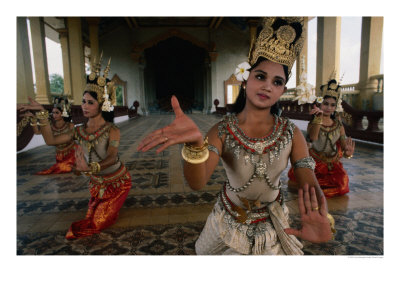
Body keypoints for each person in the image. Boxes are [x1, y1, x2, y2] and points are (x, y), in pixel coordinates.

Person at [138, 17, 335, 255]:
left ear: (283, 89)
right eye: (260, 76)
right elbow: (197, 182)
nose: (268, 86)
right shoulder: (222, 130)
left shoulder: (291, 133)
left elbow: (307, 182)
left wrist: (320, 211)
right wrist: (195, 145)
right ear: (245, 80)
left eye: (277, 81)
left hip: (273, 225)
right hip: (228, 223)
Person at [18, 58, 132, 239]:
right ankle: (109, 208)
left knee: (95, 224)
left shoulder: (112, 130)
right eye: (83, 101)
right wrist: (41, 113)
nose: (84, 106)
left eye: (90, 102)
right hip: (97, 185)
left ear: (101, 104)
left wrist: (89, 168)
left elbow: (111, 157)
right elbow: (50, 140)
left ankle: (114, 205)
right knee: (91, 218)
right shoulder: (78, 131)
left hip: (118, 183)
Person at [288, 78, 355, 198]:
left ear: (336, 107)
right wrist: (318, 119)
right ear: (319, 104)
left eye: (332, 105)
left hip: (332, 164)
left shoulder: (339, 126)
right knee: (311, 186)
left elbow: (344, 147)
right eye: (326, 104)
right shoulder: (314, 123)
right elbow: (313, 138)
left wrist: (348, 153)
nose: (328, 108)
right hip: (315, 163)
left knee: (341, 185)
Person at [23, 97, 77, 175]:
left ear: (63, 113)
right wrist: (33, 119)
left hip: (71, 154)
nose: (54, 115)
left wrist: (42, 111)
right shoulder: (51, 125)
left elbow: (65, 138)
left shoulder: (70, 125)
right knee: (59, 168)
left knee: (64, 168)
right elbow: (37, 132)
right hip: (59, 155)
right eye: (53, 113)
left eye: (57, 113)